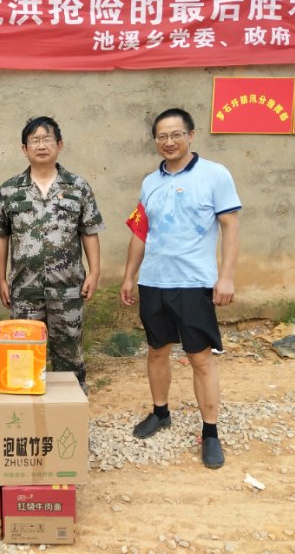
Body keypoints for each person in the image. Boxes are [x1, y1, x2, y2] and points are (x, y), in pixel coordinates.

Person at [120, 107, 241, 470]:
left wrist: (226, 276)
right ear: (155, 141)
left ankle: (210, 432)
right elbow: (140, 233)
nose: (169, 142)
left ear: (190, 135)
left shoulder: (215, 175)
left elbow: (230, 227)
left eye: (176, 134)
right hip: (153, 281)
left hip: (193, 283)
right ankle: (160, 413)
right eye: (162, 136)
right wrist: (129, 276)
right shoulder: (149, 182)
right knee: (156, 350)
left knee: (200, 358)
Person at [0, 116, 104, 393]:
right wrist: (1, 279)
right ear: (24, 148)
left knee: (70, 358)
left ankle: (71, 410)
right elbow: (0, 236)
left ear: (59, 145)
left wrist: (94, 272)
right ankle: (28, 414)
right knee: (25, 358)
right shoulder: (9, 191)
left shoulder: (77, 187)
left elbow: (89, 231)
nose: (41, 145)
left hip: (67, 289)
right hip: (25, 291)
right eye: (35, 140)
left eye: (47, 139)